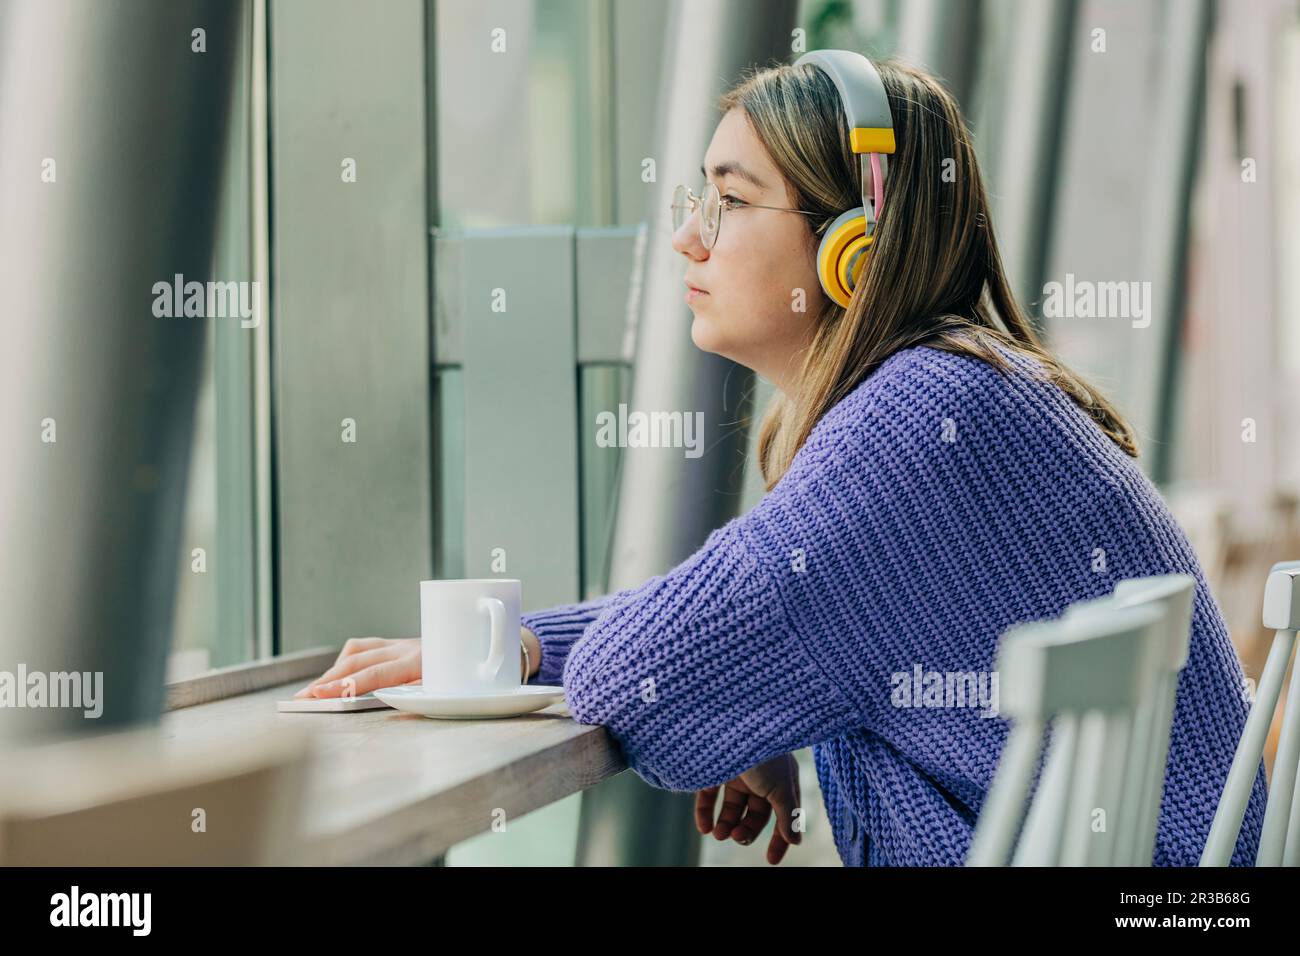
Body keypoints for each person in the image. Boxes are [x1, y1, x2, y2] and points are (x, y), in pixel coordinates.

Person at [296, 53, 1267, 867]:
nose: (685, 234)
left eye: (728, 199)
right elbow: (776, 612)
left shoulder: (915, 420)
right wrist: (567, 648)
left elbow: (636, 675)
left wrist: (731, 697)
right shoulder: (966, 389)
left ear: (854, 246)